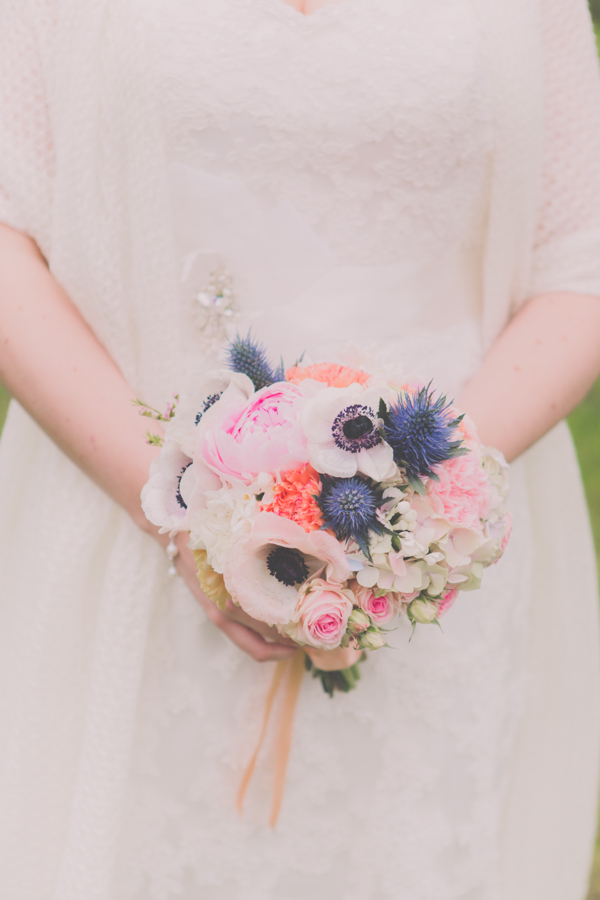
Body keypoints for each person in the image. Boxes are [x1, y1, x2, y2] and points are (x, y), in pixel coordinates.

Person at [1, 0, 600, 896]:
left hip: (439, 576)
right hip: (128, 518)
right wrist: (184, 515)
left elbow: (579, 266)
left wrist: (414, 516)